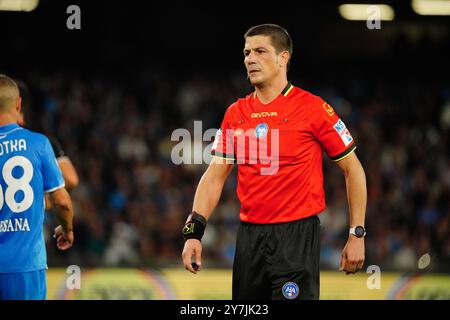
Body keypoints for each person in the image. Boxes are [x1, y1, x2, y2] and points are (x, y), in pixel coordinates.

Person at [181, 24, 367, 300]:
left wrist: (357, 234)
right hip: (249, 237)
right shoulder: (236, 113)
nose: (250, 59)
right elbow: (215, 175)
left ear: (283, 58)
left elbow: (353, 169)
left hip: (296, 236)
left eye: (260, 51)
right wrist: (194, 233)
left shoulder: (313, 108)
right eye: (246, 53)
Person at [0, 74, 74, 300]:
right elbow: (62, 201)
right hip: (24, 267)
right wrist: (67, 228)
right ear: (19, 103)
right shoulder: (39, 143)